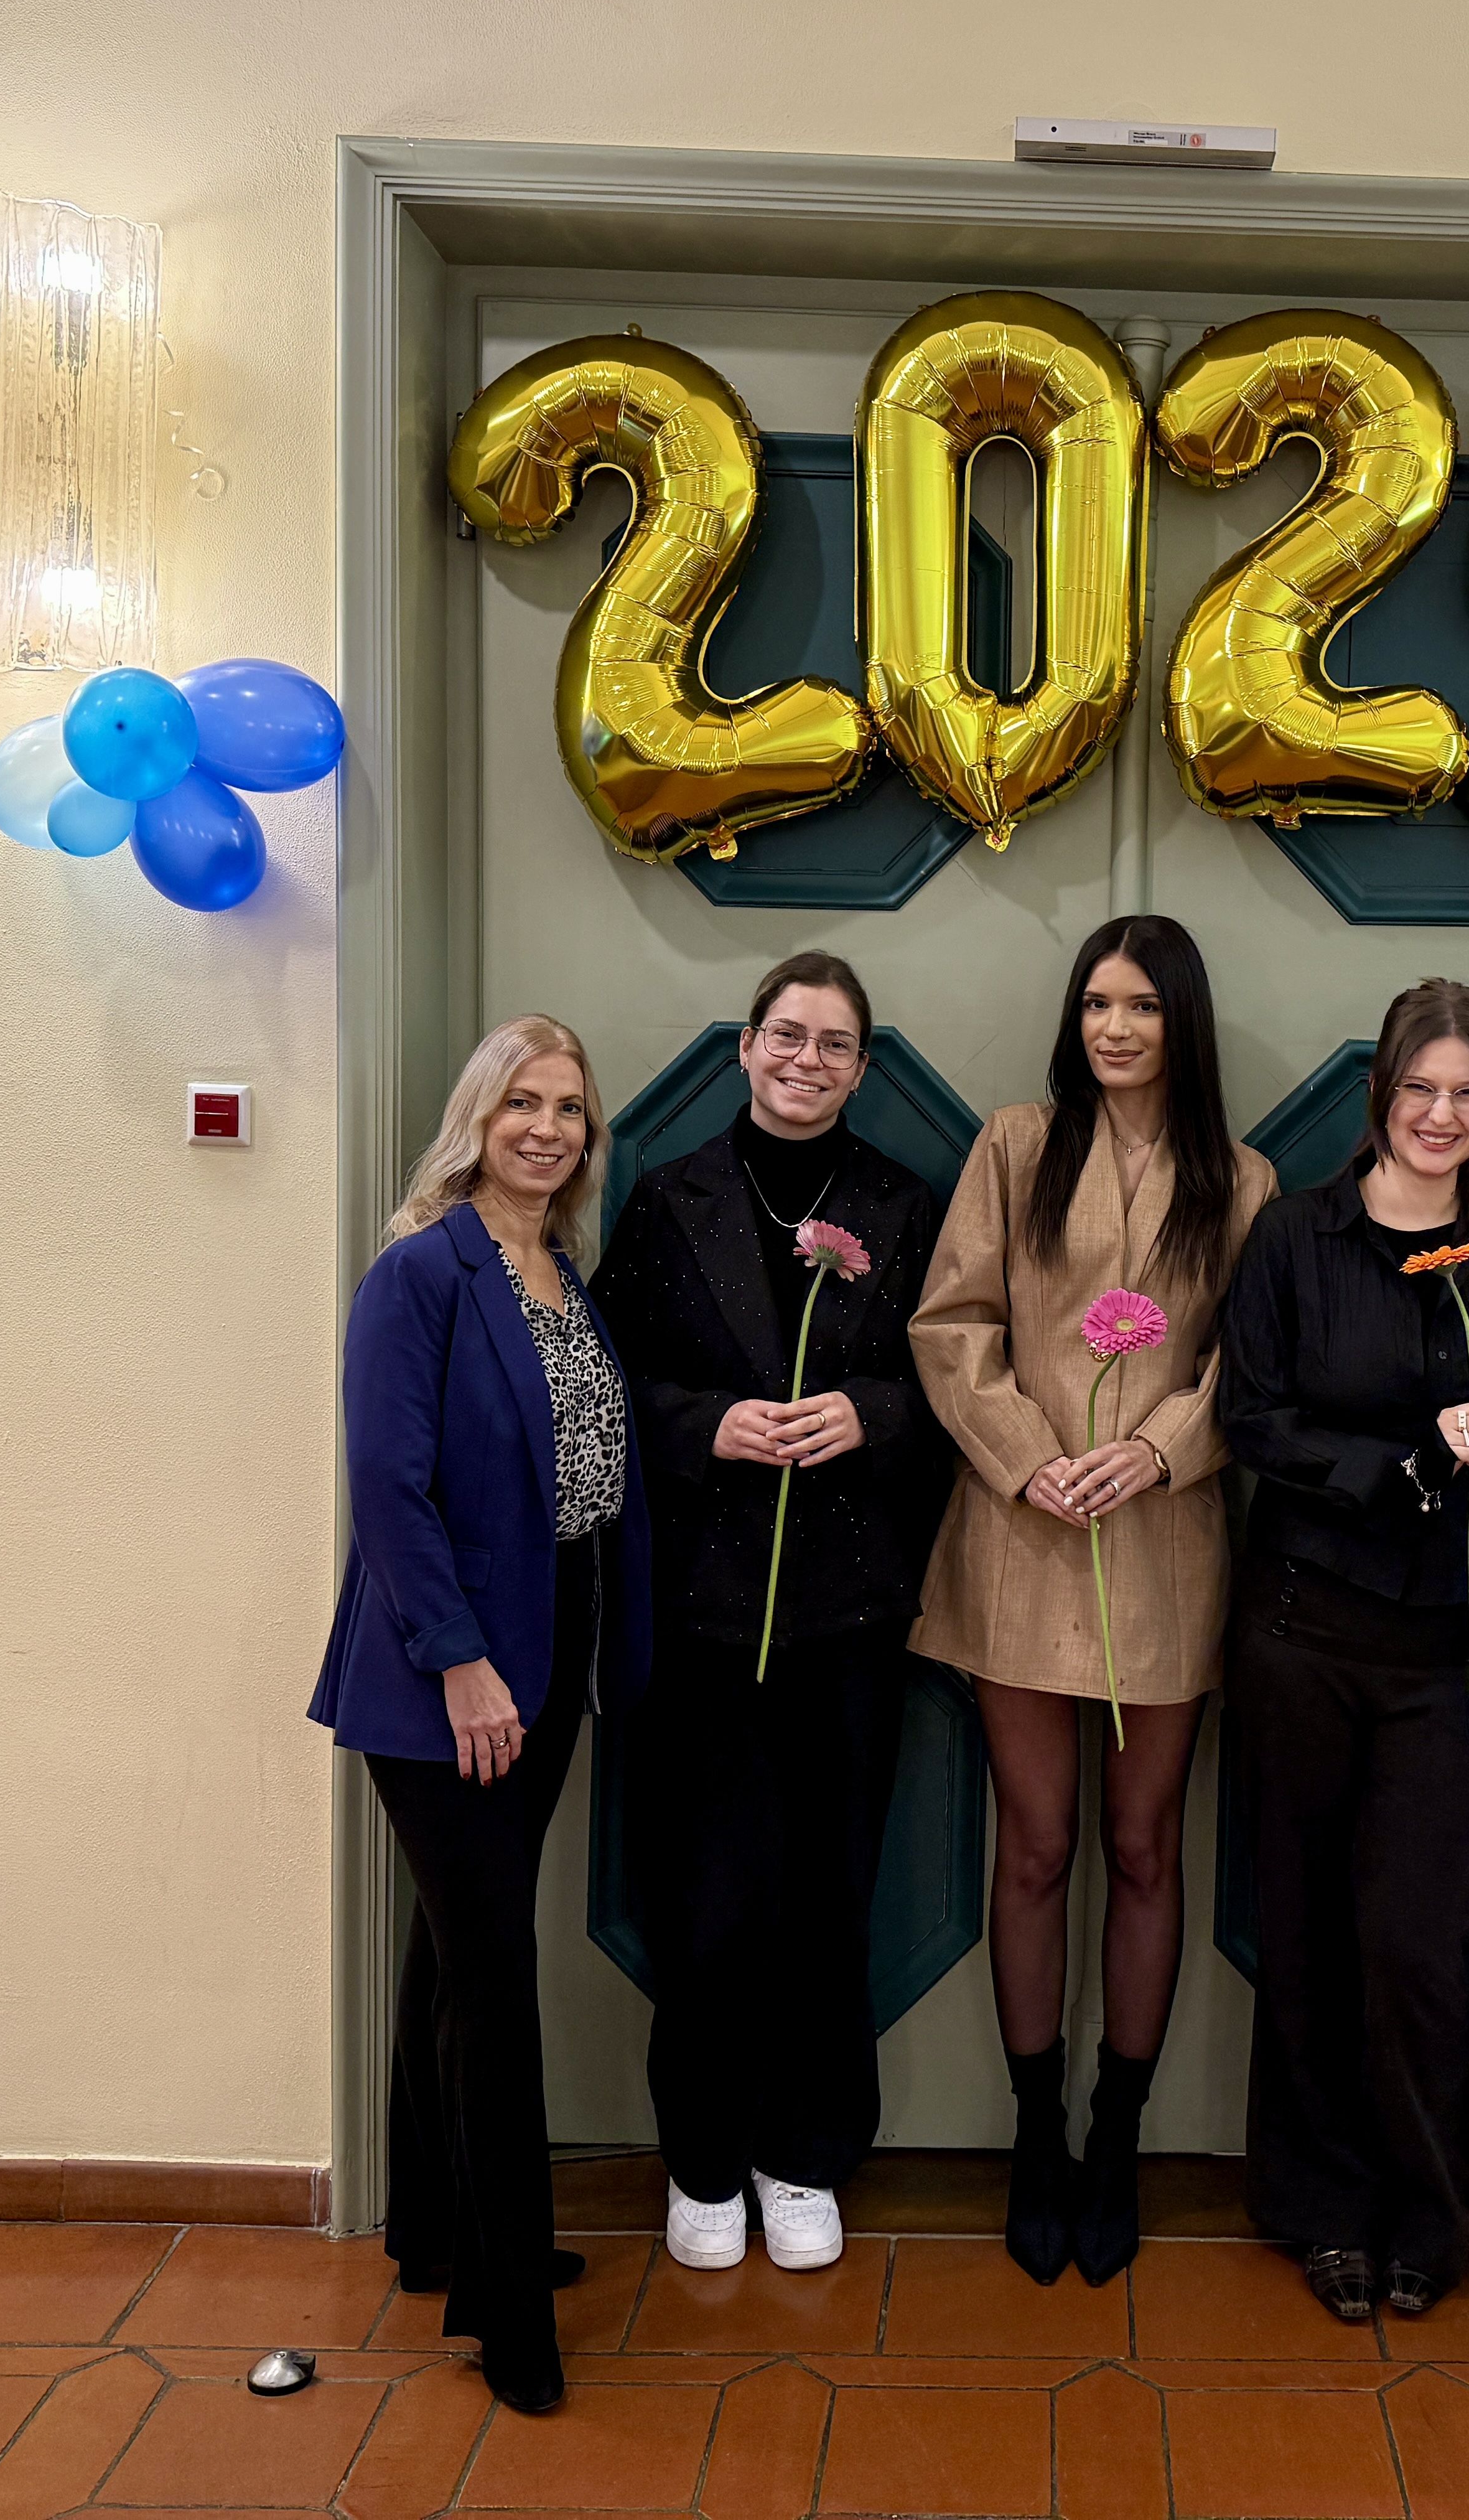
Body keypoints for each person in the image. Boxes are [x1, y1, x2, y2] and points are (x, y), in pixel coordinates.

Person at [908, 916, 1274, 2285]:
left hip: (1166, 1543)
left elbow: (1249, 1361)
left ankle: (1117, 2133)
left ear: (1185, 1021)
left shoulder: (1240, 1178)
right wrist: (1030, 1458)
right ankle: (1034, 2133)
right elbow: (953, 1325)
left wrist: (1161, 1449)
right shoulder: (1016, 1146)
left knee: (1143, 1849)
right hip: (1022, 1536)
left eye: (1143, 1007)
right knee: (1035, 1848)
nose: (1115, 1029)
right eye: (1097, 1004)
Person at [308, 1016, 652, 2417]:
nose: (547, 1128)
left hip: (547, 1648)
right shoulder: (421, 1271)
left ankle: (438, 2230)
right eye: (522, 1102)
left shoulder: (560, 1268)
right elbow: (389, 1489)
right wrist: (459, 1661)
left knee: (449, 1955)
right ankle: (508, 2313)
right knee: (494, 1979)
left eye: (570, 1108)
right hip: (444, 1673)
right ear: (476, 1118)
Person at [590, 951, 952, 2278]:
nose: (808, 1061)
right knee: (709, 1902)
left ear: (863, 1067)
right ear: (745, 1047)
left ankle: (805, 2152)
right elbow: (612, 1380)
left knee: (827, 1896)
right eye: (787, 1036)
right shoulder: (668, 1196)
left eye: (835, 1044)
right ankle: (701, 2156)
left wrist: (872, 1414)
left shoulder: (901, 1204)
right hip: (701, 1616)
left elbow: (949, 1379)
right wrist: (705, 1426)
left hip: (848, 1621)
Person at [1216, 980, 1469, 2324]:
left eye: (1468, 1094)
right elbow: (1250, 1417)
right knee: (1303, 1928)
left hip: (1451, 1650)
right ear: (1378, 1096)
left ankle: (1426, 2206)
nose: (1441, 1115)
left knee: (1418, 1944)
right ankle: (1323, 2207)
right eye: (1420, 1089)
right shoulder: (1297, 1235)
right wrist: (1396, 1467)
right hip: (1302, 1627)